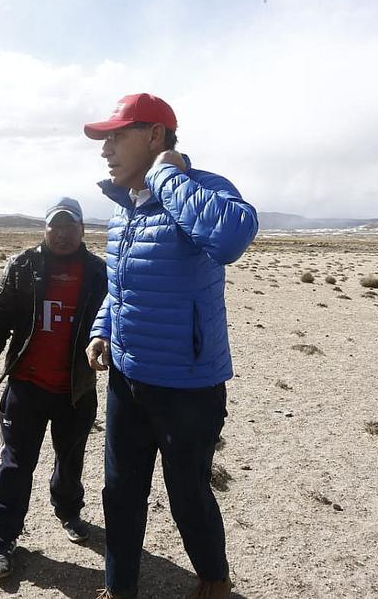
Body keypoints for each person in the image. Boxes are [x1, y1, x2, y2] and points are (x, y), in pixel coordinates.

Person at [82, 94, 259, 599]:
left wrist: (167, 176)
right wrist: (103, 329)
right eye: (105, 139)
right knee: (120, 490)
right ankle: (120, 587)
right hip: (128, 377)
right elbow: (121, 288)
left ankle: (214, 579)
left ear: (155, 136)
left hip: (188, 384)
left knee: (187, 494)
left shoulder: (203, 190)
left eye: (117, 136)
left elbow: (229, 239)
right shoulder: (124, 210)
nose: (106, 149)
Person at [0, 197, 108, 579]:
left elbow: (112, 321)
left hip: (75, 388)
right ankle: (3, 537)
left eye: (70, 227)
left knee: (70, 458)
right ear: (44, 229)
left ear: (82, 230)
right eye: (54, 227)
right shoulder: (23, 265)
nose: (61, 234)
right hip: (26, 386)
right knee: (15, 464)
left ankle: (68, 512)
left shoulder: (98, 272)